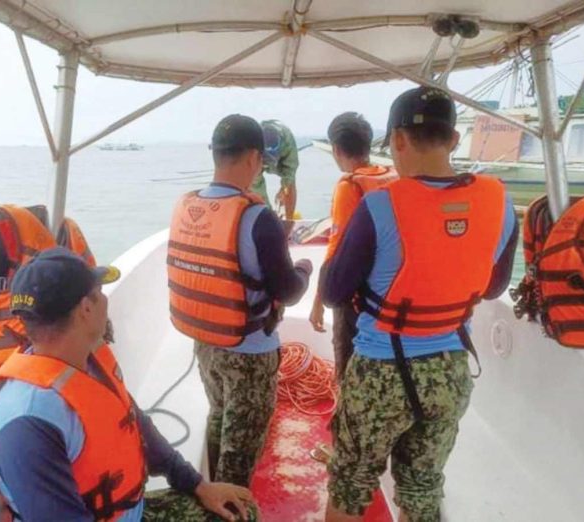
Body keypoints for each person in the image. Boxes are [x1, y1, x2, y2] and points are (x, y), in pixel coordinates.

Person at [322, 87, 519, 522]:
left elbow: (334, 291)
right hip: (449, 372)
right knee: (422, 488)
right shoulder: (500, 201)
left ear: (396, 140)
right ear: (453, 139)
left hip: (379, 375)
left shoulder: (378, 205)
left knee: (351, 485)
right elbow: (492, 287)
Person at [0, 247, 256, 521]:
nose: (106, 301)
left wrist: (199, 485)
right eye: (100, 292)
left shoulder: (86, 362)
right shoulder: (29, 422)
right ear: (86, 309)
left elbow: (135, 423)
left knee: (242, 512)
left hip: (131, 511)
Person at [167, 114, 312, 487]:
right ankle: (230, 505)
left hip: (206, 343)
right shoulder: (257, 217)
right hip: (250, 353)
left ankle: (213, 495)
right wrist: (305, 270)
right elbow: (287, 291)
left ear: (215, 154)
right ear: (253, 158)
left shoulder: (186, 206)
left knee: (219, 417)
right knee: (240, 460)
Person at [308, 112, 397, 382]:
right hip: (389, 289)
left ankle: (346, 409)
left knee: (347, 363)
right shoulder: (393, 177)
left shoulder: (349, 186)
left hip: (356, 296)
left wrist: (318, 302)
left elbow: (337, 246)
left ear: (336, 149)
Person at [248, 120, 299, 219]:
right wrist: (271, 217)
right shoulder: (253, 147)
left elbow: (289, 175)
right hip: (257, 151)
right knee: (254, 188)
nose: (266, 164)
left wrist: (283, 188)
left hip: (284, 154)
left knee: (290, 185)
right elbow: (259, 190)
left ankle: (289, 220)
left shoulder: (288, 143)